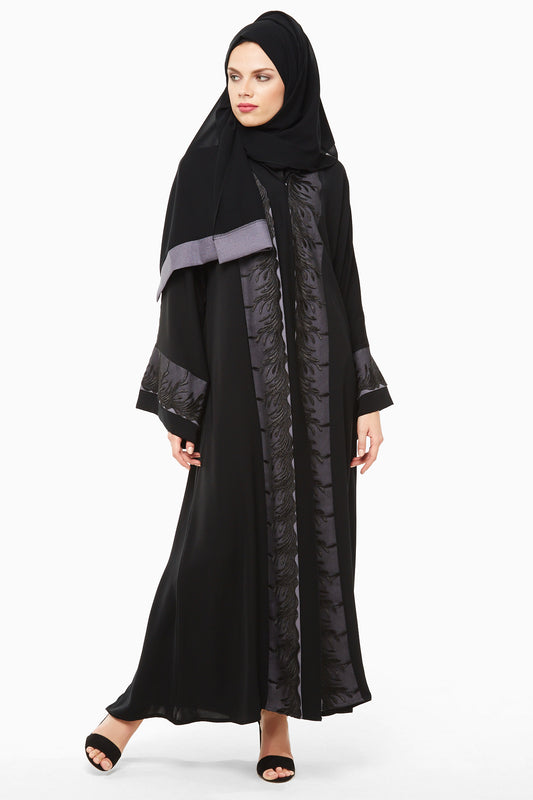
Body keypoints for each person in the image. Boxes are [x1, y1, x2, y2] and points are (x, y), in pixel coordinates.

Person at [84, 9, 393, 783]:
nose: (244, 91)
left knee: (306, 556)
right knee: (208, 554)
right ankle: (131, 708)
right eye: (233, 75)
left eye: (261, 76)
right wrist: (182, 402)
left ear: (295, 82)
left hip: (319, 400)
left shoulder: (325, 175)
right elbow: (181, 294)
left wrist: (364, 397)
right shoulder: (208, 167)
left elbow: (343, 281)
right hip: (235, 399)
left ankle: (275, 723)